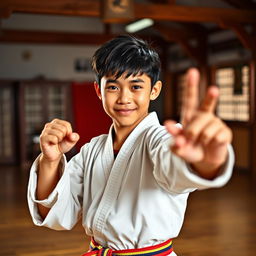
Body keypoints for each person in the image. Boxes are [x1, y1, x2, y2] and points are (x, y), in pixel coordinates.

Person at [27, 35, 234, 256]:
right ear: (99, 91)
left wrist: (204, 161)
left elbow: (175, 166)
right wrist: (50, 160)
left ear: (154, 90)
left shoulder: (160, 139)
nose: (124, 98)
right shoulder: (91, 150)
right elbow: (54, 213)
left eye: (136, 86)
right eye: (113, 87)